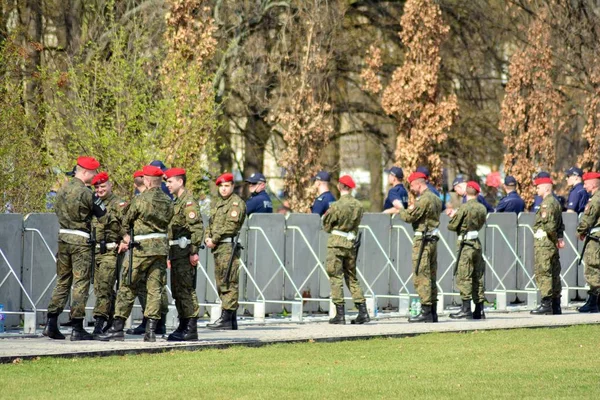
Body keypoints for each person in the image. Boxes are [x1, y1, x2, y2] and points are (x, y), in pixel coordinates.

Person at [101, 165, 174, 341]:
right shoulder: (167, 201)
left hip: (140, 249)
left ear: (147, 180)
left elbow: (126, 221)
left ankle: (118, 327)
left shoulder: (140, 200)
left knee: (127, 285)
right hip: (160, 250)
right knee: (155, 289)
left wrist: (125, 236)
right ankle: (151, 331)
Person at [43, 156, 107, 341]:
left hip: (63, 238)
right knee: (81, 282)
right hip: (81, 240)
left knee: (63, 280)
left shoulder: (61, 190)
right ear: (85, 172)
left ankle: (51, 323)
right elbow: (103, 216)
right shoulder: (87, 193)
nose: (95, 176)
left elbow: (56, 211)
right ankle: (77, 326)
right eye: (93, 172)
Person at [395, 171, 442, 323]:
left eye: (412, 185)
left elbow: (411, 217)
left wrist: (400, 210)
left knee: (421, 275)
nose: (411, 188)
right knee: (431, 275)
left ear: (418, 183)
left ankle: (425, 311)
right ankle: (432, 311)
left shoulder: (424, 200)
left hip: (423, 241)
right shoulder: (436, 198)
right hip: (432, 240)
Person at [322, 175, 369, 325]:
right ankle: (363, 311)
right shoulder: (359, 206)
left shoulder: (336, 205)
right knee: (351, 277)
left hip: (336, 244)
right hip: (350, 243)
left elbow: (327, 226)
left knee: (335, 277)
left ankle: (340, 314)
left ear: (340, 186)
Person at [164, 168, 203, 341]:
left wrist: (193, 252)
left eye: (170, 181)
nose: (167, 185)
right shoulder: (176, 202)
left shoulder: (188, 202)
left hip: (185, 252)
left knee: (186, 290)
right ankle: (183, 324)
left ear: (180, 181)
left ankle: (191, 328)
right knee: (178, 291)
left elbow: (196, 228)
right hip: (176, 253)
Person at [205, 173, 246, 330]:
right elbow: (210, 223)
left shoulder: (236, 204)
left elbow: (231, 226)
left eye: (226, 186)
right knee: (221, 281)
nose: (223, 189)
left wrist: (213, 238)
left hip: (227, 247)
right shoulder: (218, 204)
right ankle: (230, 319)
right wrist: (207, 237)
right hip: (218, 247)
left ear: (232, 186)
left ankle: (227, 318)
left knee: (228, 282)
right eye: (221, 186)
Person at [90, 172, 127, 339]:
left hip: (111, 251)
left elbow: (125, 226)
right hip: (95, 250)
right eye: (96, 187)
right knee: (99, 289)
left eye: (102, 186)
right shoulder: (92, 202)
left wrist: (125, 241)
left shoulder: (118, 204)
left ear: (110, 185)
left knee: (104, 288)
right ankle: (112, 320)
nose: (99, 190)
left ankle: (99, 324)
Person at [447, 181, 487, 320]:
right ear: (477, 192)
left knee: (464, 275)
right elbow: (481, 223)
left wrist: (453, 217)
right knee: (478, 276)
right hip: (476, 242)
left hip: (465, 244)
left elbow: (452, 226)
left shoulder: (464, 208)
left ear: (467, 191)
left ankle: (466, 309)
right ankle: (480, 309)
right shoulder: (482, 208)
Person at [530, 172, 565, 315]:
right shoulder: (556, 202)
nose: (536, 190)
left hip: (545, 243)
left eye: (538, 187)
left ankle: (546, 304)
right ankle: (556, 304)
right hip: (551, 243)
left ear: (546, 188)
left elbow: (550, 227)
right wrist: (559, 238)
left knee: (544, 272)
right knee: (554, 273)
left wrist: (556, 238)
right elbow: (560, 225)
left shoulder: (546, 204)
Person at [575, 171, 600, 313]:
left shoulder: (595, 199)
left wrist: (580, 231)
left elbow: (588, 218)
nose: (584, 187)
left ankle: (593, 302)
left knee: (592, 268)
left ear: (592, 184)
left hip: (596, 238)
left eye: (585, 183)